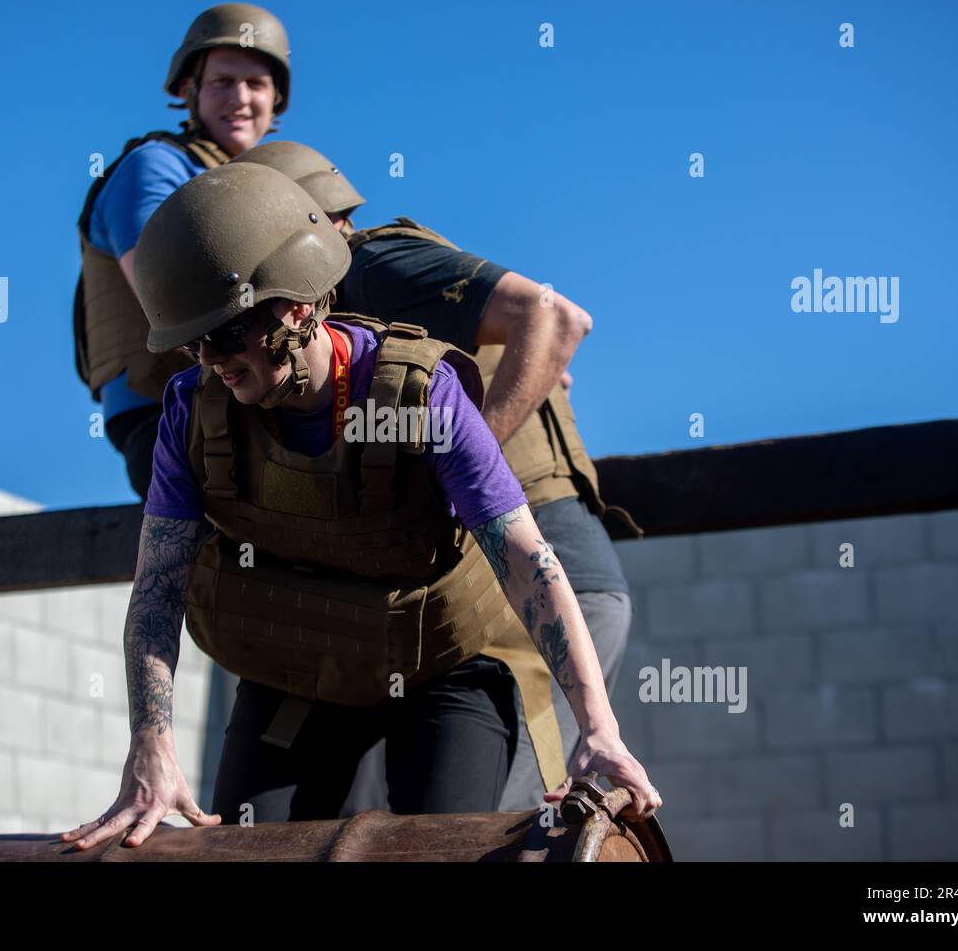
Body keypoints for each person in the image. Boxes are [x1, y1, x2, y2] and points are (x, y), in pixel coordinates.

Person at [59, 163, 660, 849]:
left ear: (298, 305)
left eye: (227, 334)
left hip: (438, 664)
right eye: (194, 342)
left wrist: (600, 729)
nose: (212, 359)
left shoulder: (419, 396)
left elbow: (529, 559)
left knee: (440, 848)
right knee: (238, 852)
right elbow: (160, 589)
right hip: (296, 664)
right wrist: (151, 749)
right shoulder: (190, 413)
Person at [231, 141, 642, 813]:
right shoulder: (330, 314)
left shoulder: (370, 262)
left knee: (501, 838)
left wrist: (454, 464)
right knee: (396, 831)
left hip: (539, 577)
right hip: (476, 579)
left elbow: (556, 318)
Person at [74, 2, 290, 499]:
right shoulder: (153, 168)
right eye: (222, 81)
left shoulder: (268, 184)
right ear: (188, 91)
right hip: (169, 411)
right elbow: (173, 294)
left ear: (275, 100)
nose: (239, 97)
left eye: (256, 84)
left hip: (253, 396)